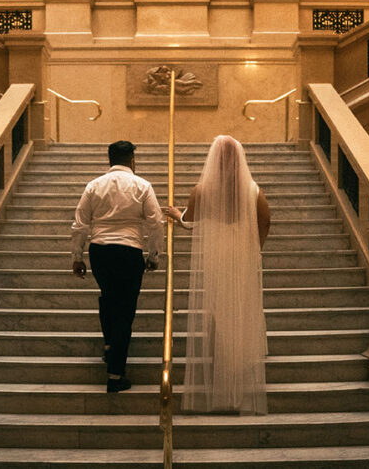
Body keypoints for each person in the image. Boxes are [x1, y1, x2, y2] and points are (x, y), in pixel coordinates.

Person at [168, 135, 270, 414]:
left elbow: (190, 222)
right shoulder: (253, 190)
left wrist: (177, 214)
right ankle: (236, 380)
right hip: (242, 257)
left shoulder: (202, 189)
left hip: (217, 258)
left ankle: (218, 379)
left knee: (218, 314)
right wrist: (254, 248)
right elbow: (265, 221)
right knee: (240, 314)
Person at [71, 140, 164, 393]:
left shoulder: (94, 185)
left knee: (109, 298)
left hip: (99, 250)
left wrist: (78, 256)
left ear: (109, 159)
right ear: (132, 160)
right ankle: (115, 375)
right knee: (125, 309)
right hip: (129, 249)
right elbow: (156, 223)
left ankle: (110, 345)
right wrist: (154, 255)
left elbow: (80, 224)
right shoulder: (143, 185)